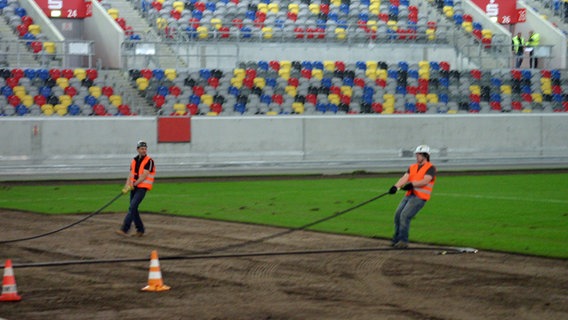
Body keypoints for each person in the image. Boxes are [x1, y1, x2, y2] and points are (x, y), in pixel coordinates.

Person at [387, 145, 437, 249]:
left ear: (425, 155)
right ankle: (396, 239)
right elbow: (405, 178)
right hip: (410, 195)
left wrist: (412, 185)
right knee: (398, 215)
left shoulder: (431, 168)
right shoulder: (412, 167)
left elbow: (425, 180)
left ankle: (403, 241)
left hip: (420, 197)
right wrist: (395, 187)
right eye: (417, 154)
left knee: (405, 215)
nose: (417, 156)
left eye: (418, 154)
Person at [116, 140, 156, 237]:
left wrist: (134, 184)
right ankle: (140, 230)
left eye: (145, 149)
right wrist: (126, 185)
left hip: (142, 188)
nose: (144, 150)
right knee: (134, 209)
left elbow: (144, 175)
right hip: (134, 187)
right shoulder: (134, 161)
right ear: (137, 149)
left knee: (132, 207)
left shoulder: (149, 161)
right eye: (142, 149)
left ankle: (125, 229)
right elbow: (130, 174)